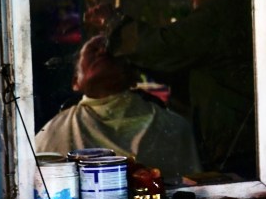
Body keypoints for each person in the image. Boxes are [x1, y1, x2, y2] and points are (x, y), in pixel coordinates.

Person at [92, 0, 256, 176]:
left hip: (239, 158)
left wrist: (112, 24)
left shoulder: (222, 14)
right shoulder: (238, 6)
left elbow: (164, 48)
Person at [34, 35, 201, 181]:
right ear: (75, 81)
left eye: (110, 50)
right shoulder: (53, 133)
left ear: (133, 76)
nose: (102, 52)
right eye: (93, 50)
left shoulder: (173, 127)